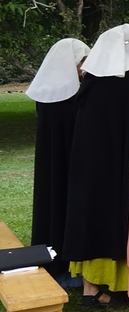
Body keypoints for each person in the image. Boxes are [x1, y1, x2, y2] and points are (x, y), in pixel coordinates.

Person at [62, 24, 129, 307]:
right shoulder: (125, 81)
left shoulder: (93, 78)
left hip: (88, 162)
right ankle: (117, 284)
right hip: (113, 165)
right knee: (112, 220)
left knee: (89, 217)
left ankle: (89, 286)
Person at [27, 38, 90, 283]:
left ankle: (63, 259)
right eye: (81, 62)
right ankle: (61, 262)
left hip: (55, 161)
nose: (83, 68)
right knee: (59, 205)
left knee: (55, 205)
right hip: (64, 160)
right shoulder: (69, 92)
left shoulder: (48, 90)